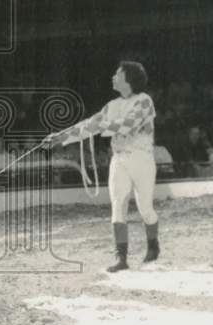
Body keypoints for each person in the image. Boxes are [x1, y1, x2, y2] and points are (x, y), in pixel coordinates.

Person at [50, 61, 159, 272]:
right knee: (118, 205)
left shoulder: (144, 100)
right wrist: (60, 137)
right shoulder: (112, 105)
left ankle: (153, 245)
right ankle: (121, 258)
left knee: (145, 208)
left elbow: (128, 125)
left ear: (129, 78)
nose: (113, 77)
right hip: (119, 159)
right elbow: (88, 125)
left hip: (141, 158)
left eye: (117, 73)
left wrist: (101, 125)